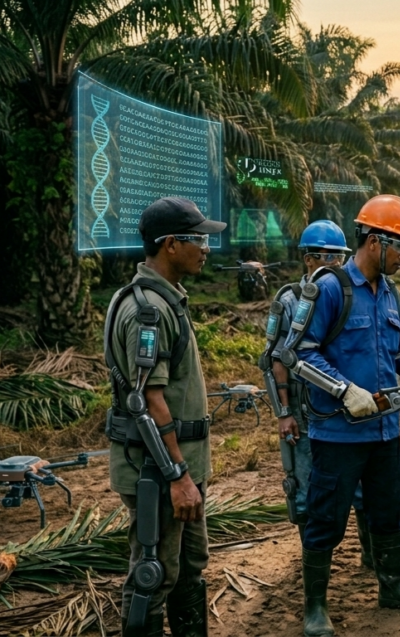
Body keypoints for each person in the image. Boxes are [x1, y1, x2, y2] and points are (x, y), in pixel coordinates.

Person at [283, 195, 400, 637]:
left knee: (388, 510)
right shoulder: (329, 289)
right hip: (338, 434)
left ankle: (394, 585)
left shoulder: (388, 293)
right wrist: (344, 390)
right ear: (376, 241)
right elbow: (296, 353)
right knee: (326, 518)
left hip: (383, 432)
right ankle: (316, 608)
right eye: (399, 246)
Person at [104, 197, 225, 637]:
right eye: (198, 239)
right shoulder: (147, 312)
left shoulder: (166, 301)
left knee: (188, 567)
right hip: (157, 470)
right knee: (153, 573)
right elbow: (147, 402)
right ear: (171, 244)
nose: (206, 247)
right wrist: (177, 476)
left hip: (178, 467)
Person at [260, 220, 374, 569]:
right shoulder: (290, 299)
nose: (334, 263)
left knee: (363, 490)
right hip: (302, 412)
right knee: (305, 489)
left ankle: (372, 558)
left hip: (343, 411)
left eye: (339, 256)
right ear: (308, 259)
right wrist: (283, 412)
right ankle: (314, 563)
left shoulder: (352, 293)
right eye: (325, 256)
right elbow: (275, 359)